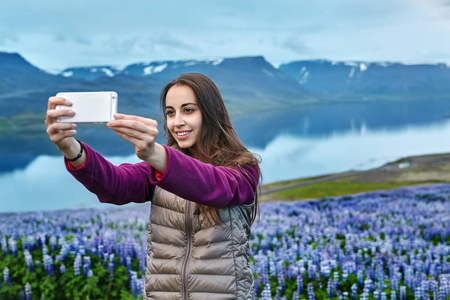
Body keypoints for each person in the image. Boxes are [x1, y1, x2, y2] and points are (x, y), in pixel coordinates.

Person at [45, 73, 261, 300]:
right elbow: (115, 184)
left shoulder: (243, 169)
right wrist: (71, 148)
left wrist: (155, 154)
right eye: (170, 112)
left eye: (188, 110)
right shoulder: (156, 169)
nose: (177, 122)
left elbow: (215, 187)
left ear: (210, 113)